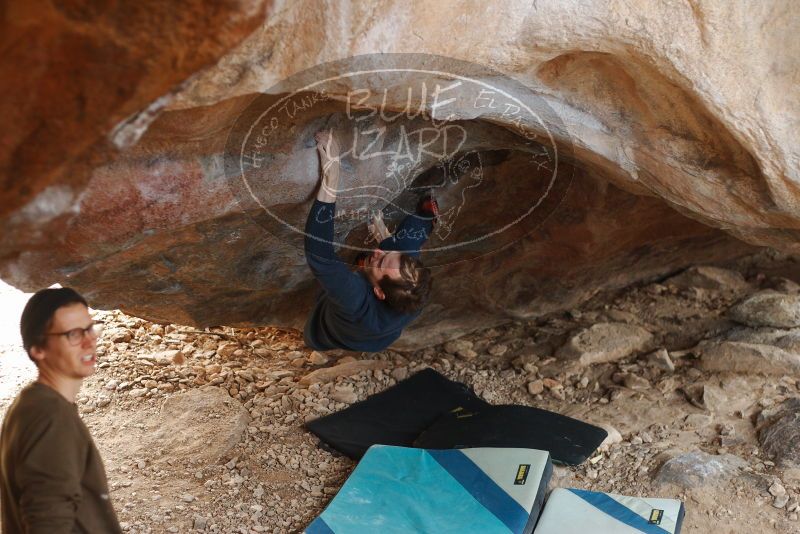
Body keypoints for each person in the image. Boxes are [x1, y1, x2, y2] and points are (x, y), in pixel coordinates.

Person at [1, 287, 122, 533]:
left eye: (89, 329)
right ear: (38, 350)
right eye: (73, 334)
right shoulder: (50, 417)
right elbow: (48, 523)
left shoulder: (29, 405)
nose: (90, 341)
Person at [304, 130, 436, 352]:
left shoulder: (355, 300)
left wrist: (331, 178)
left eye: (381, 261)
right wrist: (390, 247)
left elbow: (320, 256)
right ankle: (425, 218)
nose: (377, 251)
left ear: (378, 293)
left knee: (315, 331)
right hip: (384, 329)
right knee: (405, 248)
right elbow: (399, 263)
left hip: (329, 335)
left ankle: (376, 263)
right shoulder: (413, 293)